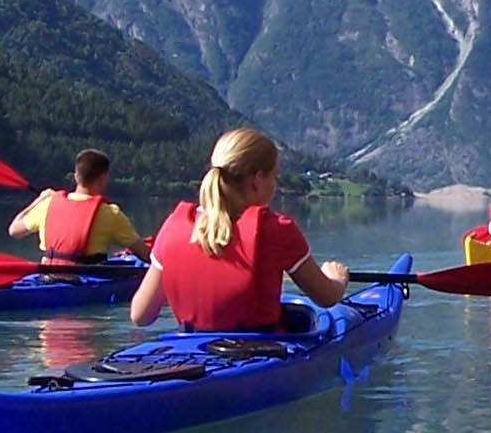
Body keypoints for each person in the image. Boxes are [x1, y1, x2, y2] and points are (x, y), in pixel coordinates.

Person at [130, 128, 348, 331]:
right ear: (257, 179)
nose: (276, 184)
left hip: (192, 353)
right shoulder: (277, 230)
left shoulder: (173, 227)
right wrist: (337, 279)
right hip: (262, 351)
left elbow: (141, 316)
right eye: (274, 176)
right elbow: (326, 297)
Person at [8, 148, 151, 266]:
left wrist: (39, 200)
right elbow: (146, 256)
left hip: (47, 277)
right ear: (103, 179)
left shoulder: (48, 204)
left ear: (76, 177)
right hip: (86, 283)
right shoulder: (111, 214)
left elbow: (14, 230)